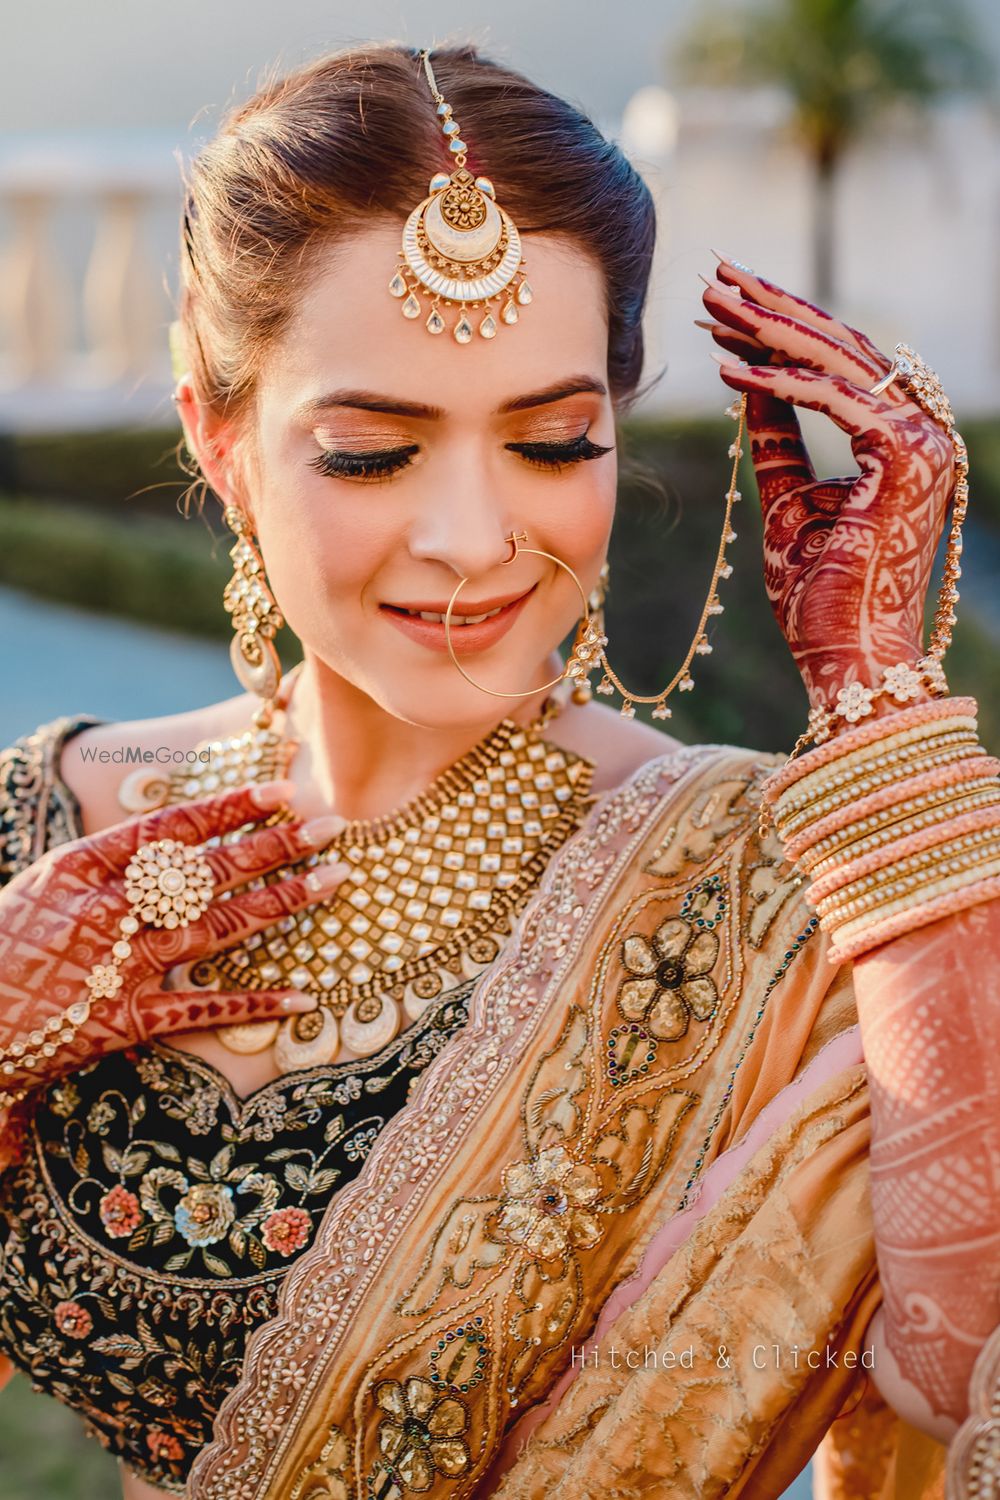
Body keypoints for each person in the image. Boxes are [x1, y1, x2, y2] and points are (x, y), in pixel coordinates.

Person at [0, 40, 997, 1500]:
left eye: (549, 441)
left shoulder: (759, 883)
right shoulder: (49, 836)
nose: (475, 541)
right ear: (218, 437)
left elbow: (958, 1373)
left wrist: (877, 691)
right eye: (369, 454)